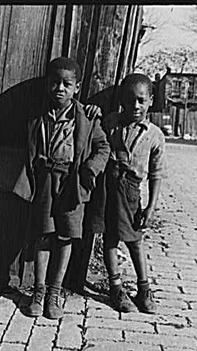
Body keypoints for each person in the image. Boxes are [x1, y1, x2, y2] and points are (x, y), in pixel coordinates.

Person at [20, 57, 110, 319]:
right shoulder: (38, 115)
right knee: (44, 234)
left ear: (77, 87)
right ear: (48, 84)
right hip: (46, 181)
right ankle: (38, 291)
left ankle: (54, 292)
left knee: (65, 236)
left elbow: (103, 147)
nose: (60, 88)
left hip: (72, 183)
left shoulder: (86, 117)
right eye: (55, 82)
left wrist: (90, 170)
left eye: (66, 84)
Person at [102, 73, 166, 314]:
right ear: (122, 100)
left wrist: (150, 207)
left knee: (135, 240)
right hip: (107, 187)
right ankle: (116, 286)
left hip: (131, 192)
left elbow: (157, 174)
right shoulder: (110, 123)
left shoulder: (154, 135)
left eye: (141, 100)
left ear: (150, 100)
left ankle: (143, 288)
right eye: (129, 100)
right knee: (109, 237)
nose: (135, 106)